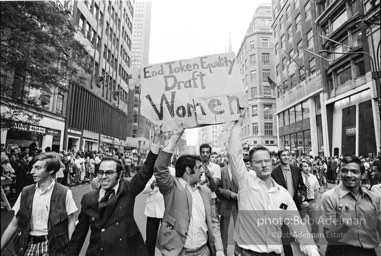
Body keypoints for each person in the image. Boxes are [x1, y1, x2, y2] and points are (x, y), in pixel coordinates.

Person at [228, 110, 319, 256]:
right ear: (250, 165)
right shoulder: (245, 182)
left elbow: (298, 226)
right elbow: (233, 154)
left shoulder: (283, 194)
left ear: (272, 162)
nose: (263, 165)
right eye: (258, 162)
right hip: (246, 252)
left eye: (266, 161)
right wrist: (238, 123)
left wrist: (312, 250)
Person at [65, 128, 162, 256]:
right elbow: (79, 235)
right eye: (100, 172)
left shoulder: (128, 189)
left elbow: (146, 170)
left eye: (109, 172)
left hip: (127, 251)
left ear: (120, 175)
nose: (103, 177)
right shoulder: (88, 198)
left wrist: (156, 143)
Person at [154, 128, 224, 256]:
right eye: (198, 168)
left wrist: (219, 249)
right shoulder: (171, 187)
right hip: (178, 252)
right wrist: (174, 137)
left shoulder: (206, 192)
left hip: (204, 251)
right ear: (188, 169)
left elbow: (214, 222)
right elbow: (159, 168)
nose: (202, 171)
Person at [1, 153, 78, 256]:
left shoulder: (64, 192)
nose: (32, 171)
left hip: (53, 246)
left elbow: (70, 222)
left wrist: (71, 252)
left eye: (37, 168)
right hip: (28, 244)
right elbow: (14, 224)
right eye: (32, 167)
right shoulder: (26, 192)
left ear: (51, 170)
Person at [321, 155, 381, 256]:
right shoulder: (329, 197)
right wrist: (345, 225)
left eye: (354, 171)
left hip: (368, 252)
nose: (349, 175)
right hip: (340, 252)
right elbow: (329, 236)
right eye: (344, 171)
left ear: (363, 175)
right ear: (339, 173)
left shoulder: (373, 197)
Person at [271, 148, 307, 256]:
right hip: (281, 207)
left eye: (288, 155)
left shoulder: (296, 170)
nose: (286, 157)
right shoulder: (274, 172)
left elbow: (302, 186)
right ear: (279, 157)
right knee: (284, 232)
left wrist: (302, 196)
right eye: (283, 155)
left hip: (295, 205)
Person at [216, 154, 238, 256]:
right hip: (225, 204)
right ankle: (223, 252)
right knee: (224, 230)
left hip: (238, 205)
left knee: (239, 230)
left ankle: (238, 252)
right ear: (227, 158)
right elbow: (217, 189)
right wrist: (230, 194)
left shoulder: (241, 171)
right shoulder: (221, 170)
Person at [299, 160, 320, 246]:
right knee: (299, 223)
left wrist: (313, 199)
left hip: (312, 203)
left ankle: (315, 243)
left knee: (315, 223)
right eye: (304, 166)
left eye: (308, 166)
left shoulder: (313, 177)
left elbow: (316, 189)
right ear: (301, 167)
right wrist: (301, 201)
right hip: (302, 204)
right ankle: (302, 241)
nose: (307, 168)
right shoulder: (298, 177)